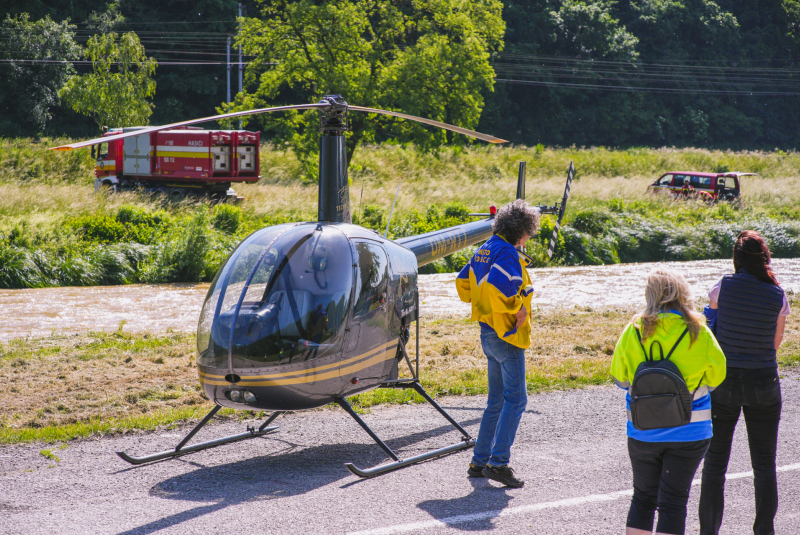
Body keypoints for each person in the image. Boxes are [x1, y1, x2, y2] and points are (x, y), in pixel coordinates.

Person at [611, 268, 726, 535]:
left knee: (642, 498)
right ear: (682, 292)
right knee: (674, 502)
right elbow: (717, 376)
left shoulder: (634, 330)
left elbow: (620, 379)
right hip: (691, 430)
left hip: (643, 429)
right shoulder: (698, 330)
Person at [699, 230, 790, 535]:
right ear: (765, 259)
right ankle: (764, 530)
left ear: (736, 259)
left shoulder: (722, 287)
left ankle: (708, 531)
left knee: (715, 466)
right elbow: (775, 344)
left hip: (724, 381)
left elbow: (708, 327)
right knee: (764, 466)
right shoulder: (778, 295)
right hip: (763, 379)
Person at [455, 199, 540, 488]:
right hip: (506, 335)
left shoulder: (486, 247)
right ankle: (499, 463)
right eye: (529, 233)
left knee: (495, 401)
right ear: (520, 230)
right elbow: (499, 288)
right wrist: (518, 309)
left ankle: (479, 462)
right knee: (517, 400)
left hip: (486, 332)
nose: (528, 239)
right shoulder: (506, 252)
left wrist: (483, 305)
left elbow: (463, 285)